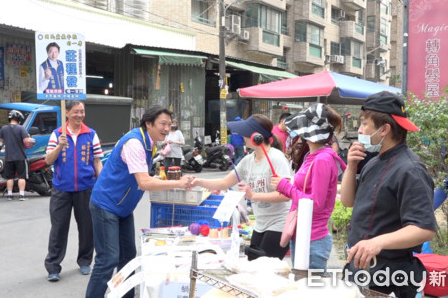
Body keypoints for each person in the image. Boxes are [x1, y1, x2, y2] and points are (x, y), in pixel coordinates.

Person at [86, 106, 194, 298]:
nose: (167, 128)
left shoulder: (149, 143)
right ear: (148, 123)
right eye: (163, 124)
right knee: (107, 259)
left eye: (169, 125)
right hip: (106, 205)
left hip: (123, 207)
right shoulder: (135, 142)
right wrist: (177, 183)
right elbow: (143, 182)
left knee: (128, 257)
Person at [340, 91, 436, 297]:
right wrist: (351, 166)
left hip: (391, 276)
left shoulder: (411, 170)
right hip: (360, 270)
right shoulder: (373, 161)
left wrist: (377, 242)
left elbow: (423, 228)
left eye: (365, 124)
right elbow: (349, 202)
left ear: (384, 129)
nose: (360, 130)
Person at [191, 114, 292, 260]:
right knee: (252, 263)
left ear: (257, 136)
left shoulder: (276, 158)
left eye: (246, 133)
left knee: (265, 269)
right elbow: (225, 183)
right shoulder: (248, 160)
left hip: (279, 223)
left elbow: (285, 195)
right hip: (260, 224)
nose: (243, 137)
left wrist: (253, 196)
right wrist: (198, 181)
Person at [270, 103, 347, 272]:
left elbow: (316, 203)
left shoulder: (322, 159)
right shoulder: (312, 155)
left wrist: (286, 187)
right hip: (303, 233)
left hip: (313, 239)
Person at [44, 100, 103, 282]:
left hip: (86, 189)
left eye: (82, 111)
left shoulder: (91, 134)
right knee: (58, 229)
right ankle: (53, 267)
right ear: (67, 113)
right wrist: (60, 146)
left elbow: (97, 161)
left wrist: (101, 184)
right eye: (76, 111)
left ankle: (85, 261)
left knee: (87, 228)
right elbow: (48, 160)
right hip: (61, 189)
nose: (79, 115)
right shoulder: (57, 134)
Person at [0, 109, 33, 201]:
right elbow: (27, 140)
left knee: (9, 177)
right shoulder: (21, 128)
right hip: (20, 156)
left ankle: (9, 195)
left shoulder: (3, 128)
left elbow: (2, 141)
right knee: (22, 176)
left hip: (8, 157)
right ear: (18, 119)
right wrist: (31, 139)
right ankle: (21, 195)